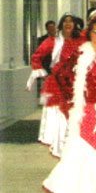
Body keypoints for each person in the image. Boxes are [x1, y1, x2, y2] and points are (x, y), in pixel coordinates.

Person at [42, 19, 96, 193]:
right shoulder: (81, 53)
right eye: (95, 31)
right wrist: (73, 101)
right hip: (87, 110)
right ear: (89, 34)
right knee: (85, 150)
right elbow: (60, 74)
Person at [27, 14, 85, 157]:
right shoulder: (53, 41)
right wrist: (38, 69)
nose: (68, 23)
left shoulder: (81, 40)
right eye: (65, 21)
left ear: (75, 25)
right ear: (61, 25)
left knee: (76, 117)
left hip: (76, 83)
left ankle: (74, 149)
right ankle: (60, 149)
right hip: (58, 85)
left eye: (71, 21)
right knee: (61, 117)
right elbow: (36, 56)